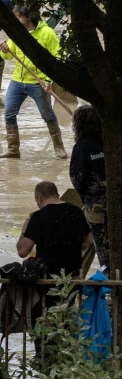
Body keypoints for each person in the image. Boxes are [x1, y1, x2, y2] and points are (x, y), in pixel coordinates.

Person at [0, 6, 66, 160]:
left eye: (18, 16)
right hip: (17, 81)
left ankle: (59, 147)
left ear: (28, 17)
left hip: (39, 83)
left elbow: (59, 57)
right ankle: (13, 149)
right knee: (9, 113)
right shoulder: (17, 33)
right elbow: (7, 57)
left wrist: (48, 80)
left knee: (47, 115)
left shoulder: (47, 33)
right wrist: (4, 49)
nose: (16, 19)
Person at [17, 181, 93, 278]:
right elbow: (89, 240)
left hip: (47, 277)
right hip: (73, 276)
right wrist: (69, 248)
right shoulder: (77, 212)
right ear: (58, 195)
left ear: (38, 198)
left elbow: (23, 251)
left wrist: (24, 229)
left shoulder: (38, 216)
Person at [70, 105, 108, 270]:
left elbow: (77, 178)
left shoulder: (82, 146)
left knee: (103, 250)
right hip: (115, 203)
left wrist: (86, 196)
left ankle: (111, 285)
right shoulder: (111, 141)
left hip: (95, 207)